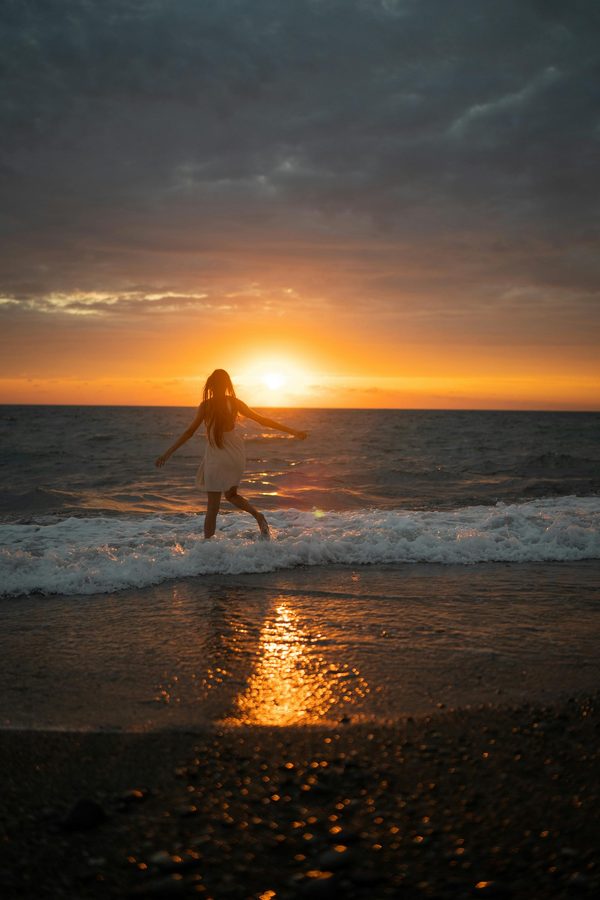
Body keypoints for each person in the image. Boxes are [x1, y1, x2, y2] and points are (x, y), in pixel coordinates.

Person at [155, 369, 307, 539]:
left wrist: (167, 453)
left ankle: (207, 550)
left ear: (210, 386)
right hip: (235, 454)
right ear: (227, 385)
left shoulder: (206, 406)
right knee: (231, 495)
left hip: (216, 456)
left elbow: (189, 432)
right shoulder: (235, 403)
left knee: (212, 508)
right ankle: (258, 516)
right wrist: (293, 431)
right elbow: (263, 420)